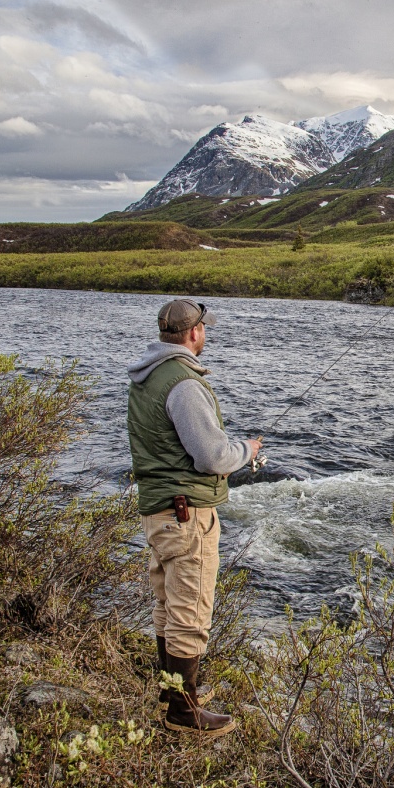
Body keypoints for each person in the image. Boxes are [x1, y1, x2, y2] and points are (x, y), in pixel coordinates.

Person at [126, 298, 262, 737]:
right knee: (191, 611)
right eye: (204, 329)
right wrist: (247, 450)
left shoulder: (146, 378)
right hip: (186, 515)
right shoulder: (183, 384)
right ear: (193, 334)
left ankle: (172, 692)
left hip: (159, 511)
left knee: (167, 603)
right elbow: (211, 456)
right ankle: (183, 713)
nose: (206, 334)